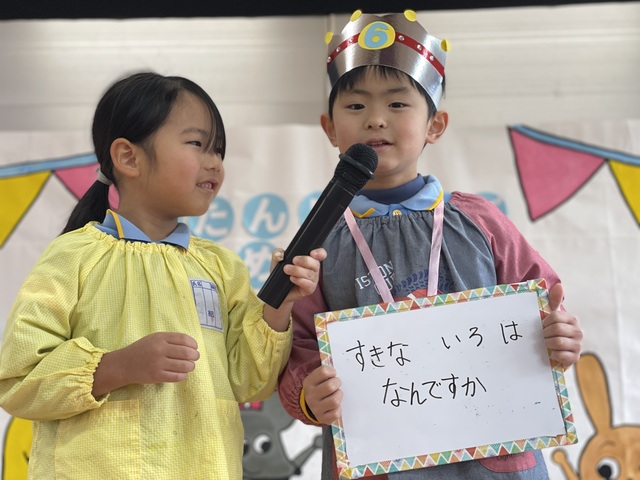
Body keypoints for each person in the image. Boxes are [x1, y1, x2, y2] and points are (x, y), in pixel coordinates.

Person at [277, 10, 583, 480]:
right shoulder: (318, 242)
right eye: (355, 106)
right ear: (330, 128)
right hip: (379, 462)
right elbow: (295, 345)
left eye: (398, 104)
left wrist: (558, 336)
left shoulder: (479, 221)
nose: (376, 119)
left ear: (435, 125)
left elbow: (542, 303)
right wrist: (308, 394)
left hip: (493, 462)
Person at [0, 71, 326, 479]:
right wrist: (116, 366)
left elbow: (250, 382)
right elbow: (19, 379)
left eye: (218, 150)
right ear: (128, 157)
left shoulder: (222, 267)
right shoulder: (72, 257)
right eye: (197, 144)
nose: (215, 162)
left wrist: (281, 303)